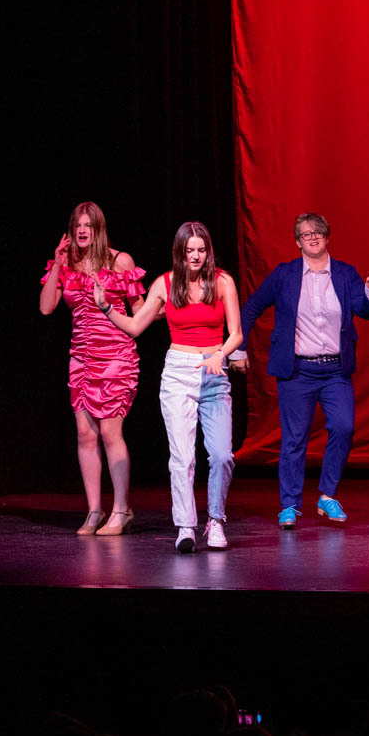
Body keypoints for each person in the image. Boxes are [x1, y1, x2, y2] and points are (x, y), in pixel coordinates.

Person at [98, 222, 242, 553]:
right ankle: (186, 526)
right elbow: (135, 327)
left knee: (221, 455)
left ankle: (216, 521)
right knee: (182, 456)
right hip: (178, 372)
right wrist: (106, 307)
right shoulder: (165, 284)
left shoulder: (222, 282)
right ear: (180, 252)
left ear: (208, 251)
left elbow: (236, 332)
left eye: (201, 250)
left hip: (214, 369)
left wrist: (221, 353)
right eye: (189, 250)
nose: (195, 256)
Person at [239, 212, 369, 529]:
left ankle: (327, 495)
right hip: (297, 372)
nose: (313, 236)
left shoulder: (346, 274)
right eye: (306, 234)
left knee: (344, 427)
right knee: (294, 440)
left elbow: (365, 310)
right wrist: (238, 347)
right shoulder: (285, 275)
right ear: (297, 242)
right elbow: (251, 307)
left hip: (335, 370)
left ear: (327, 236)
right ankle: (289, 506)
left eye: (318, 231)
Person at [39, 202, 147, 536]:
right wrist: (58, 266)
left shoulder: (120, 261)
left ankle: (121, 510)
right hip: (81, 358)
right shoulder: (67, 265)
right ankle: (94, 510)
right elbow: (46, 308)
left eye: (88, 225)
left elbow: (139, 311)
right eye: (77, 226)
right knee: (85, 434)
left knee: (110, 433)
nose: (82, 231)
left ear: (98, 228)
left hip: (115, 355)